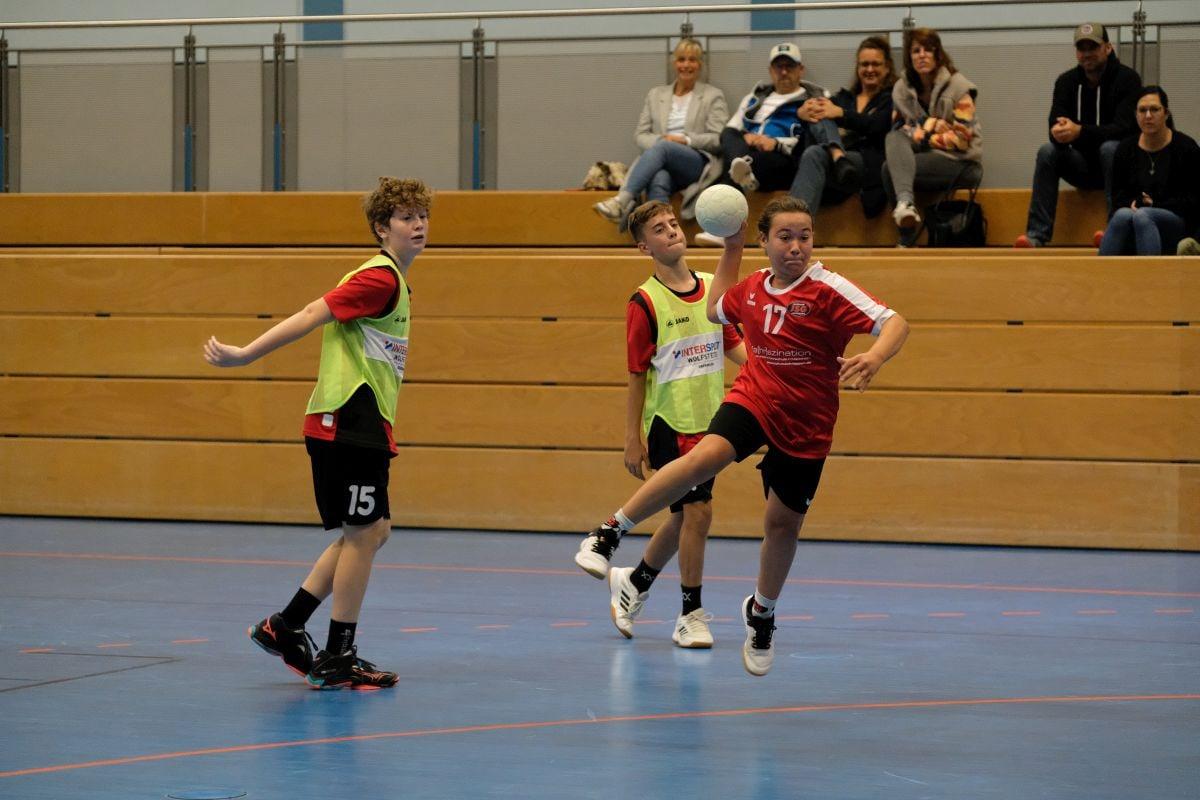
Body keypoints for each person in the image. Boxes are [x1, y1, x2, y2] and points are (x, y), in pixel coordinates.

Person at [576, 196, 909, 676]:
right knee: (702, 462)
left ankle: (762, 612)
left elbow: (895, 322)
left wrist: (875, 356)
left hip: (807, 422)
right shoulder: (751, 288)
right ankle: (609, 533)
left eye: (805, 237)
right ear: (765, 242)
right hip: (752, 398)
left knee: (781, 525)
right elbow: (717, 310)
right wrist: (732, 248)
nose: (796, 246)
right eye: (785, 237)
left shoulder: (829, 288)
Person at [202, 176, 432, 690]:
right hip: (347, 421)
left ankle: (285, 626)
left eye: (422, 216)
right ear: (382, 228)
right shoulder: (379, 279)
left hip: (358, 422)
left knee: (371, 531)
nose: (418, 225)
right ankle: (337, 654)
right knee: (364, 534)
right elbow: (312, 314)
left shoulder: (393, 281)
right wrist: (245, 355)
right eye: (406, 217)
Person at [576, 201, 747, 648]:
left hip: (710, 422)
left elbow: (733, 343)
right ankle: (690, 614)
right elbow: (636, 374)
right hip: (669, 423)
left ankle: (634, 582)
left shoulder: (711, 287)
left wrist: (772, 369)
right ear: (643, 247)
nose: (671, 231)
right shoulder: (644, 301)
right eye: (658, 228)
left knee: (683, 516)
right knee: (698, 512)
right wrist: (631, 438)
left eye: (673, 223)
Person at [1015, 23, 1142, 248]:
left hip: (1119, 169)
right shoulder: (1066, 82)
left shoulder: (1128, 79)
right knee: (1047, 151)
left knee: (1110, 148)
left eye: (1093, 47)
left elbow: (1125, 129)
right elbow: (1054, 127)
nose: (1086, 53)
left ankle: (1115, 232)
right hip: (1081, 166)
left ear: (1108, 48)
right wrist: (1060, 133)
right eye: (1081, 48)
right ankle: (1036, 235)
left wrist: (1079, 131)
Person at [594, 39, 729, 230]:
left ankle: (622, 200)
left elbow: (718, 138)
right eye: (681, 59)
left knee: (664, 147)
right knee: (659, 178)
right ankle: (664, 235)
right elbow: (640, 135)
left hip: (696, 162)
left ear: (700, 64)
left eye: (692, 60)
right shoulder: (656, 95)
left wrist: (684, 140)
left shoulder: (712, 95)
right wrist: (661, 140)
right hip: (660, 160)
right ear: (674, 63)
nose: (686, 65)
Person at [884, 28, 982, 245]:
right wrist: (936, 126)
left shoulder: (959, 87)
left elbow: (961, 140)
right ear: (909, 57)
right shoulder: (901, 89)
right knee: (892, 144)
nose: (922, 55)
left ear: (938, 54)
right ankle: (906, 210)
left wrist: (923, 134)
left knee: (892, 168)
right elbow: (899, 127)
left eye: (928, 50)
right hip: (924, 157)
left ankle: (907, 236)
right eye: (916, 51)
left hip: (961, 163)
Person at [790, 35, 896, 218]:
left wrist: (841, 114)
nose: (869, 69)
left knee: (815, 152)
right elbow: (817, 113)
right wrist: (802, 113)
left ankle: (792, 226)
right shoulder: (844, 98)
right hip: (836, 168)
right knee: (820, 109)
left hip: (868, 165)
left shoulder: (893, 98)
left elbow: (877, 125)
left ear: (887, 67)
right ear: (858, 68)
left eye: (876, 64)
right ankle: (837, 155)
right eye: (864, 64)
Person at [1099, 87, 1200, 256]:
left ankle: (1151, 271)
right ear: (1136, 115)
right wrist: (1135, 202)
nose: (1148, 115)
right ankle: (1099, 271)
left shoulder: (1186, 147)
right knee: (1121, 215)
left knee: (1143, 215)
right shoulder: (1125, 149)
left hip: (1178, 223)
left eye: (1154, 109)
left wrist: (1154, 204)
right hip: (1134, 219)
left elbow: (1194, 201)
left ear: (1166, 114)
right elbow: (1118, 198)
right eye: (1142, 110)